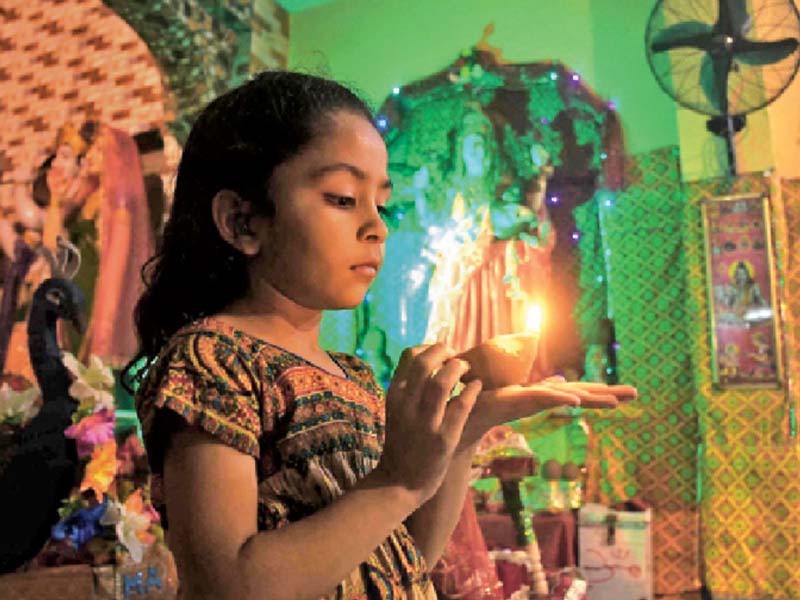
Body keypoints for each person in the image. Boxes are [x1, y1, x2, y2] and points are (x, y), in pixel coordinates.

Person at [129, 71, 636, 600]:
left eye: (382, 203)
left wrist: (461, 436)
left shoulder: (353, 376)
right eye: (344, 198)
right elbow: (229, 584)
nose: (378, 226)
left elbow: (401, 558)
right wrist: (398, 481)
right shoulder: (213, 359)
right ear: (243, 221)